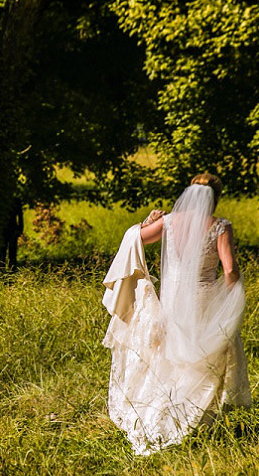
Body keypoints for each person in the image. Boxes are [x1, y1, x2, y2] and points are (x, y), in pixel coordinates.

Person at [101, 173, 250, 455]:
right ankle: (196, 420)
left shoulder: (169, 222)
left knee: (171, 357)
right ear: (215, 198)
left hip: (172, 298)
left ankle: (163, 412)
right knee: (207, 356)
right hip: (203, 297)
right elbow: (229, 269)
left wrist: (146, 223)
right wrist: (232, 294)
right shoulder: (220, 226)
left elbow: (135, 237)